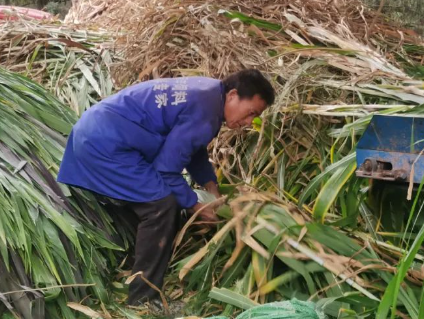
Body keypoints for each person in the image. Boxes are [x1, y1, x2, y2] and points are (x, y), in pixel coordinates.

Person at [57, 69, 274, 306]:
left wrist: (211, 186)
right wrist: (195, 205)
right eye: (250, 113)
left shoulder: (209, 94)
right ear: (233, 95)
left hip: (96, 132)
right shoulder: (206, 108)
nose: (246, 123)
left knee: (157, 197)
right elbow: (166, 170)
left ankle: (131, 259)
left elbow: (193, 147)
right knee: (162, 205)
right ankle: (144, 298)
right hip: (108, 145)